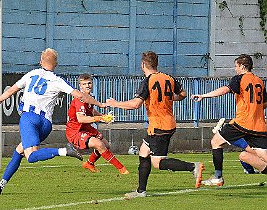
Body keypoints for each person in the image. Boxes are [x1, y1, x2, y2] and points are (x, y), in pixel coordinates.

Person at [0, 48, 106, 195]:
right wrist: (101, 105)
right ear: (56, 64)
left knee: (31, 156)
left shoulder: (32, 74)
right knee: (20, 151)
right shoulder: (58, 80)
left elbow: (12, 90)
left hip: (29, 118)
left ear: (40, 61)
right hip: (45, 124)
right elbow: (80, 95)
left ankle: (64, 151)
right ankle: (1, 185)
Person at [107, 51, 205, 198]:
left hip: (160, 127)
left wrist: (115, 103)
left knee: (158, 162)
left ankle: (192, 167)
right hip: (167, 123)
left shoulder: (148, 81)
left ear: (142, 65)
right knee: (143, 152)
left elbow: (135, 105)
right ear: (156, 64)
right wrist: (170, 98)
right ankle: (141, 191)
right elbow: (183, 94)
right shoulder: (168, 78)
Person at [191, 54, 267, 186]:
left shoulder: (240, 78)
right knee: (262, 155)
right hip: (259, 125)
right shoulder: (259, 81)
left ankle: (218, 176)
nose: (236, 69)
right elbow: (264, 103)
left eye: (236, 66)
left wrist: (204, 95)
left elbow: (225, 90)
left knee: (216, 142)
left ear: (242, 66)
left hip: (243, 123)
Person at [66, 73, 129, 174]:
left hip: (86, 128)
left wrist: (103, 117)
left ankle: (89, 163)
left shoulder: (89, 97)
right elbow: (81, 119)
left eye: (89, 83)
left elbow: (91, 111)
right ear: (80, 86)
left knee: (106, 145)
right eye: (84, 84)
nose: (87, 86)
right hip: (76, 131)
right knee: (99, 144)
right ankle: (122, 169)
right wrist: (99, 118)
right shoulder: (80, 100)